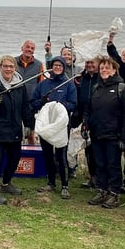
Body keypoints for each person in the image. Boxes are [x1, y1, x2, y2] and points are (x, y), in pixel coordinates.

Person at [0, 56, 35, 204]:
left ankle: (6, 183)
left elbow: (25, 106)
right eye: (5, 66)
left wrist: (29, 125)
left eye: (11, 66)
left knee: (15, 157)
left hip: (15, 127)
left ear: (15, 68)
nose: (8, 69)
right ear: (0, 67)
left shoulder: (20, 85)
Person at [83, 57, 125, 208]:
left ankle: (114, 193)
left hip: (114, 136)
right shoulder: (96, 87)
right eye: (102, 67)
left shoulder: (121, 88)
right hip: (97, 134)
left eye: (107, 67)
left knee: (113, 165)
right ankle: (102, 190)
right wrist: (85, 125)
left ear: (114, 70)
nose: (104, 70)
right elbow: (88, 109)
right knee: (100, 164)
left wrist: (123, 137)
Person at [31, 56, 77, 199]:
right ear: (51, 67)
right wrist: (43, 101)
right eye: (55, 65)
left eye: (60, 65)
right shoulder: (43, 84)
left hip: (61, 126)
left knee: (61, 155)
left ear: (63, 67)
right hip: (46, 125)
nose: (57, 67)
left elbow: (73, 104)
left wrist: (58, 105)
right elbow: (33, 103)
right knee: (47, 154)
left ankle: (64, 185)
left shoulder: (69, 84)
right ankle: (51, 182)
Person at [74, 57, 100, 189]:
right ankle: (92, 177)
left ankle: (100, 179)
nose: (89, 65)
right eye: (87, 63)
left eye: (92, 63)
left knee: (97, 150)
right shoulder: (82, 78)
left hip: (97, 117)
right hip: (84, 117)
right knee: (87, 149)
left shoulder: (101, 78)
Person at [16, 40, 44, 144]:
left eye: (32, 48)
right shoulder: (13, 62)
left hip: (30, 105)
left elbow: (41, 84)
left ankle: (31, 155)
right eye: (27, 47)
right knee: (15, 132)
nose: (29, 50)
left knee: (30, 132)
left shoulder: (39, 65)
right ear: (22, 48)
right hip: (15, 102)